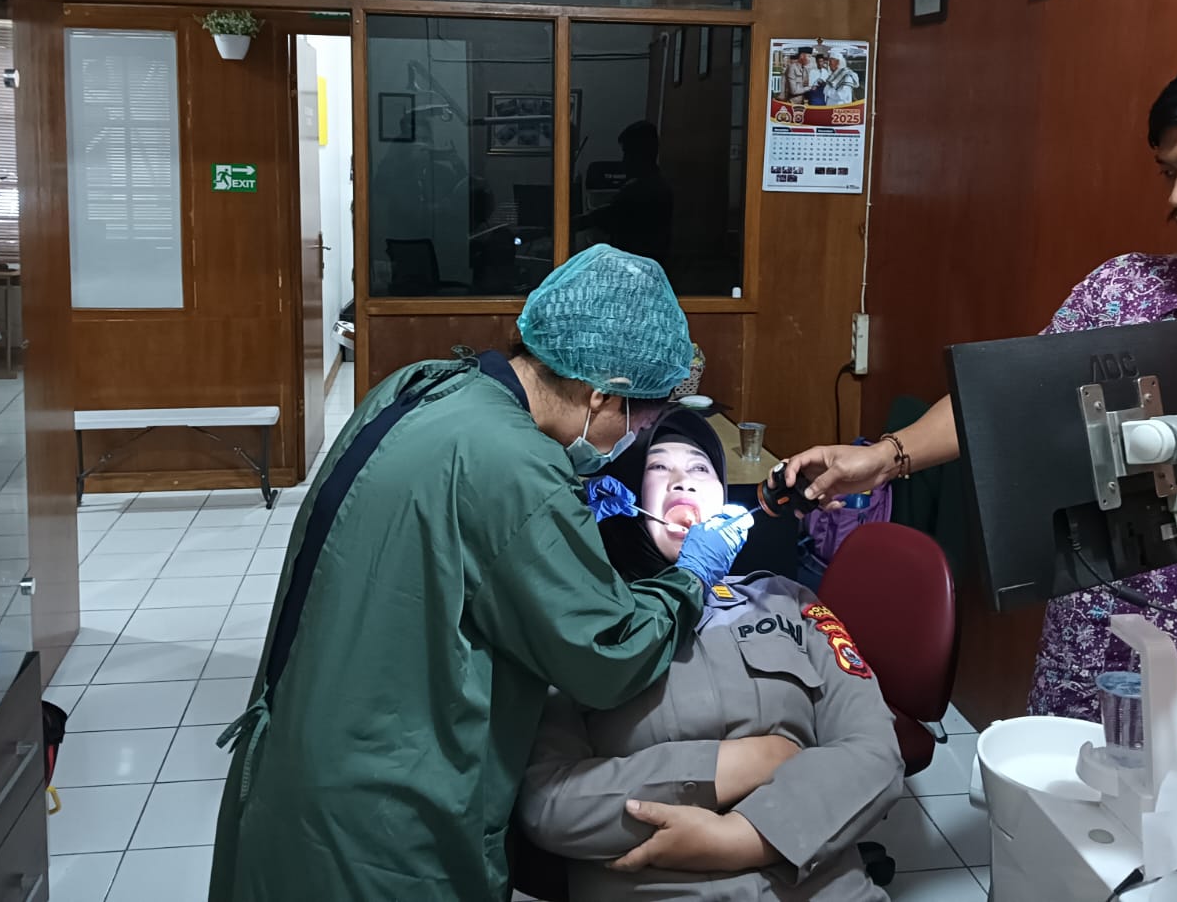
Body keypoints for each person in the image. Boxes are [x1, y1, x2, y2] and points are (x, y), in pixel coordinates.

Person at [786, 46, 1177, 741]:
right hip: (1091, 663)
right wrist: (883, 458)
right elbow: (1005, 407)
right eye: (1169, 173)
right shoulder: (1124, 292)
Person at [209, 246, 756, 901]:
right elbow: (606, 655)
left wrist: (567, 508)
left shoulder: (421, 385)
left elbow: (455, 536)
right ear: (600, 392)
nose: (631, 443)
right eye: (638, 423)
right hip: (381, 819)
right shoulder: (518, 469)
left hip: (302, 748)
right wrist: (690, 577)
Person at [518, 408, 904, 900]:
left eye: (700, 468)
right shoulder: (580, 624)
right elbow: (549, 803)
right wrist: (735, 764)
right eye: (658, 466)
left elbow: (875, 753)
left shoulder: (788, 601)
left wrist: (743, 837)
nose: (683, 481)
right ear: (623, 494)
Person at [574, 121, 675, 267]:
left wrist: (569, 224)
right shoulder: (656, 185)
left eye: (628, 153)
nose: (624, 160)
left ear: (642, 154)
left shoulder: (642, 190)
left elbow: (606, 216)